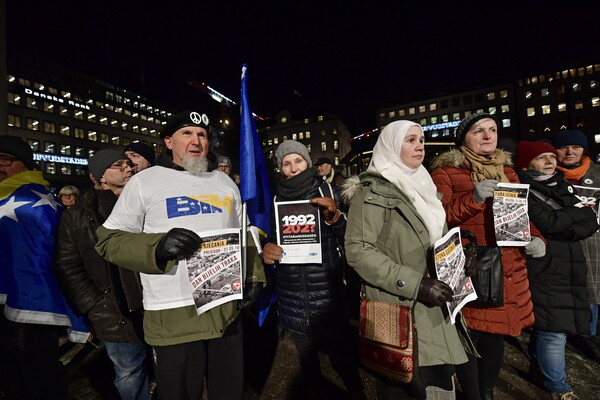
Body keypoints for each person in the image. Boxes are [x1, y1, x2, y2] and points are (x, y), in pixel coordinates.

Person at [95, 111, 265, 400]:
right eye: (187, 133)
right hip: (174, 311)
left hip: (224, 303)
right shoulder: (144, 182)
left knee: (228, 390)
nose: (196, 140)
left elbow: (243, 229)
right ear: (168, 142)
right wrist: (157, 248)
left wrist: (254, 276)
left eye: (202, 134)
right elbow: (109, 240)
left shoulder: (224, 183)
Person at [343, 121, 476, 400]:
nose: (420, 146)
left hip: (436, 306)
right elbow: (358, 250)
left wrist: (458, 262)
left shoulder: (423, 184)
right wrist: (416, 283)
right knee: (407, 384)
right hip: (401, 310)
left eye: (422, 140)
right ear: (391, 146)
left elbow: (432, 242)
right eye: (411, 140)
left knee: (440, 386)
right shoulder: (372, 192)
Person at [430, 113, 542, 400]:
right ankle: (474, 393)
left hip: (508, 266)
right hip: (472, 267)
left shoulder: (509, 170)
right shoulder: (445, 172)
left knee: (495, 335)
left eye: (492, 130)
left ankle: (487, 391)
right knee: (470, 335)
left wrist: (536, 238)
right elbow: (436, 219)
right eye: (478, 131)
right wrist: (473, 199)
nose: (488, 136)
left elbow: (521, 214)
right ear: (463, 138)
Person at [262, 140, 365, 400]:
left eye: (298, 161)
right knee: (308, 366)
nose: (293, 168)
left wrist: (335, 218)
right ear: (280, 169)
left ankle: (357, 393)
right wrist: (268, 248)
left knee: (343, 359)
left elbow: (351, 238)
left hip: (326, 292)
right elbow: (273, 236)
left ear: (307, 162)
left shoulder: (328, 189)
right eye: (286, 163)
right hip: (292, 294)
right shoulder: (277, 197)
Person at [54, 149, 150, 400]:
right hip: (112, 311)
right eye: (119, 165)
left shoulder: (146, 204)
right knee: (129, 372)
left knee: (165, 364)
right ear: (99, 176)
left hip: (152, 304)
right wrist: (94, 304)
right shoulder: (76, 217)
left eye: (129, 164)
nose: (128, 168)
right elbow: (68, 266)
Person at [0, 136, 88, 399]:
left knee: (38, 376)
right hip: (7, 305)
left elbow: (61, 258)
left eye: (5, 159)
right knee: (11, 375)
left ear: (25, 165)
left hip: (35, 308)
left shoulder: (38, 203)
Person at [516, 141, 598, 400]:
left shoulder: (561, 184)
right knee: (553, 329)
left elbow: (590, 222)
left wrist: (568, 224)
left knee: (550, 325)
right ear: (526, 164)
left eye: (552, 157)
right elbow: (547, 222)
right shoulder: (523, 189)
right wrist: (574, 213)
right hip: (545, 266)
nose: (551, 162)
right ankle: (559, 389)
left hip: (570, 266)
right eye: (542, 158)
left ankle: (540, 371)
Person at [551, 129, 600, 361]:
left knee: (593, 291)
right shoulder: (548, 175)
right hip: (562, 243)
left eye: (576, 147)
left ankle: (588, 336)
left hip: (594, 243)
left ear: (584, 150)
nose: (570, 152)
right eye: (563, 147)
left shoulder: (597, 174)